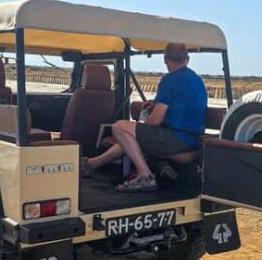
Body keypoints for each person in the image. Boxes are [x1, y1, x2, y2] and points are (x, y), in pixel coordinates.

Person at [82, 43, 207, 192]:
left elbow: (156, 120)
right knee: (130, 138)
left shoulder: (170, 80)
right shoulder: (197, 80)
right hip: (193, 139)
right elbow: (182, 105)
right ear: (187, 59)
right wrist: (155, 105)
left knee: (119, 127)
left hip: (176, 139)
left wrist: (141, 129)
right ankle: (91, 164)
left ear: (165, 59)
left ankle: (145, 175)